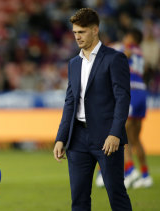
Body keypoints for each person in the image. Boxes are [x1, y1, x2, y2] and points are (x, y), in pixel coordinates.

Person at [53, 8, 132, 210]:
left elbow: (122, 99)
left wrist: (115, 133)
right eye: (75, 33)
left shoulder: (115, 58)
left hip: (107, 138)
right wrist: (61, 138)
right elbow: (70, 101)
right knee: (78, 199)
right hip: (77, 139)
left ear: (95, 30)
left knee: (116, 194)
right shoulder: (74, 63)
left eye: (82, 32)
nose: (77, 37)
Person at [96, 28, 153, 188]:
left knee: (119, 132)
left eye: (126, 36)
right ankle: (145, 174)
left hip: (131, 92)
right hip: (142, 92)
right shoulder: (140, 52)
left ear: (131, 37)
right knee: (135, 137)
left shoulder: (128, 48)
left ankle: (129, 170)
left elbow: (117, 53)